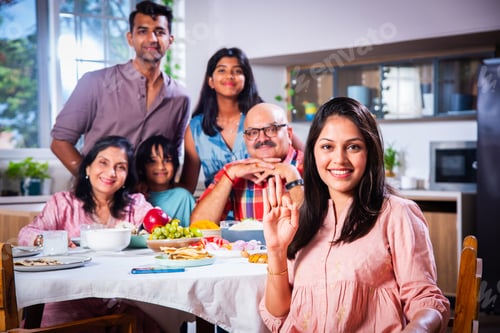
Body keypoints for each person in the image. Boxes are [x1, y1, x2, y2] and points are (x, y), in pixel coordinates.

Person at [259, 97, 451, 332]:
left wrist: (418, 329)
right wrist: (276, 251)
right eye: (327, 146)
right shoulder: (301, 219)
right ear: (313, 153)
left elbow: (425, 300)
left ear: (370, 152)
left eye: (353, 147)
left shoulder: (397, 214)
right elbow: (279, 314)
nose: (339, 159)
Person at [18, 135, 162, 333]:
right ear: (88, 168)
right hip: (69, 299)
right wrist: (51, 239)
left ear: (127, 175)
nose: (111, 173)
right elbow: (26, 234)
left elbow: (162, 230)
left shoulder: (135, 204)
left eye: (120, 167)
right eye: (103, 162)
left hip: (122, 301)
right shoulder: (63, 203)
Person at [50, 0, 190, 177]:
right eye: (142, 31)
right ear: (130, 38)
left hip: (150, 201)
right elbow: (60, 142)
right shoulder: (95, 82)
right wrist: (91, 183)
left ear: (170, 40)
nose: (152, 39)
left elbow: (173, 154)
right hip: (98, 201)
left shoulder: (181, 98)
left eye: (159, 32)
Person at [179, 47, 304, 193]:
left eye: (237, 71)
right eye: (221, 70)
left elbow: (307, 158)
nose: (230, 76)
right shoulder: (195, 129)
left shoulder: (263, 117)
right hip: (217, 210)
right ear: (211, 81)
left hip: (261, 205)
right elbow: (187, 187)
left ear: (246, 79)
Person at [190, 102, 304, 224]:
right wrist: (229, 177)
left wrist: (293, 177)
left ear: (289, 134)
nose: (262, 138)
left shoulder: (312, 165)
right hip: (249, 243)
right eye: (253, 132)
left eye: (271, 129)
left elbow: (317, 227)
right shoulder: (234, 171)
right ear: (245, 140)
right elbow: (198, 225)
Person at [135, 135, 195, 227]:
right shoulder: (136, 197)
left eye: (167, 160)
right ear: (142, 167)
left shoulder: (183, 197)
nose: (161, 167)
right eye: (152, 161)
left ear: (175, 165)